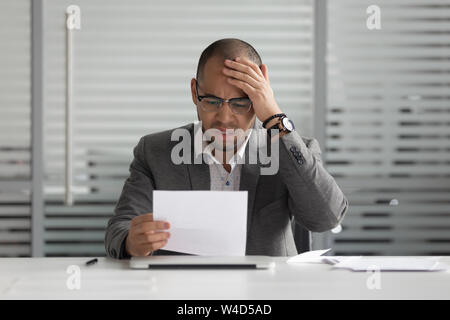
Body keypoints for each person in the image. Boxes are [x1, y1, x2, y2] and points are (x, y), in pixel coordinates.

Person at [105, 38, 348, 258]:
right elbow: (119, 229)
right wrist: (131, 242)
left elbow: (326, 217)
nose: (225, 118)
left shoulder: (288, 149)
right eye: (212, 101)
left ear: (258, 98)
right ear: (194, 92)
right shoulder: (155, 151)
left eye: (240, 103)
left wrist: (275, 118)